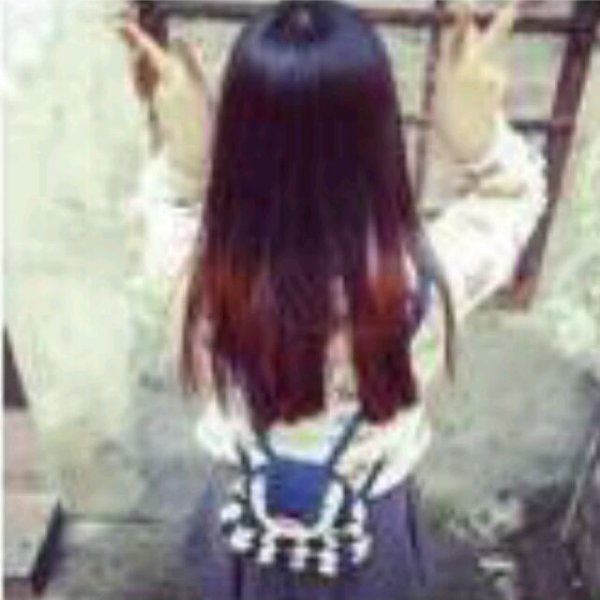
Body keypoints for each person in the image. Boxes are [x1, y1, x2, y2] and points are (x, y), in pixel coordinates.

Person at [119, 1, 546, 598]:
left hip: (243, 513)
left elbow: (165, 204)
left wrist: (185, 154)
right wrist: (479, 135)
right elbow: (512, 197)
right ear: (379, 136)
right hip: (371, 525)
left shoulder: (195, 276)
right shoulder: (431, 278)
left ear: (237, 138)